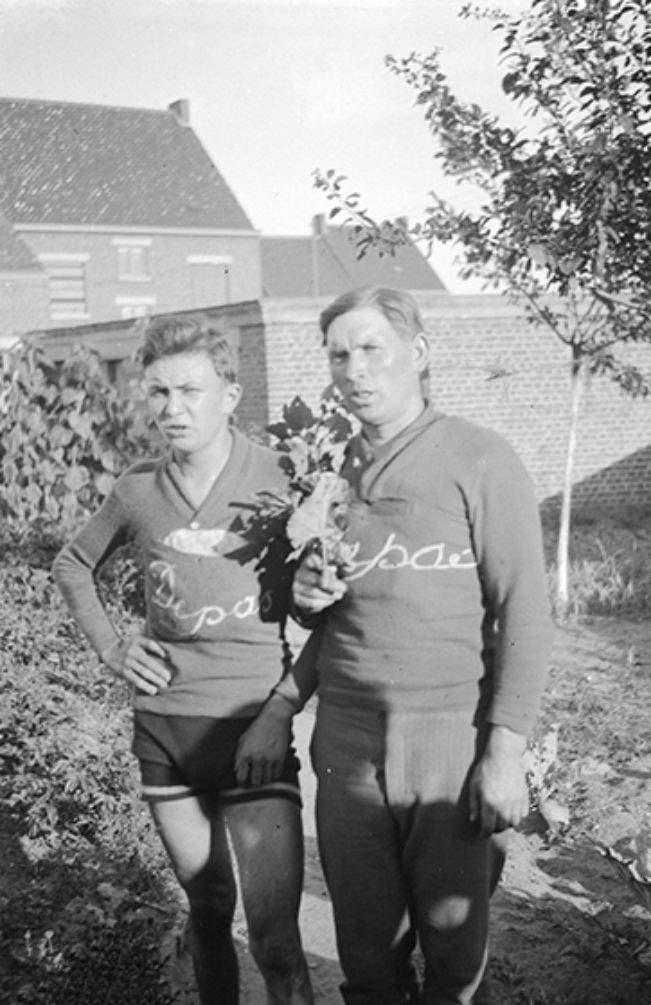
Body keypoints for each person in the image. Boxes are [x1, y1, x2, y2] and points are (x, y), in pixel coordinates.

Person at [237, 287, 554, 1005]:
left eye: (371, 348)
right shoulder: (327, 473)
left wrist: (505, 752)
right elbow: (334, 622)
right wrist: (306, 606)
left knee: (454, 954)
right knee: (368, 957)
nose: (354, 369)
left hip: (449, 739)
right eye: (338, 355)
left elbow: (526, 616)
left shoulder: (478, 457)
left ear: (419, 351)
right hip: (347, 742)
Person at [53, 314, 314, 1005]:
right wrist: (112, 646)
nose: (173, 408)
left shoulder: (281, 480)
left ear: (230, 394)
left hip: (252, 731)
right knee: (207, 909)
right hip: (166, 731)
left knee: (277, 941)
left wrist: (280, 711)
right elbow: (73, 564)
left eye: (190, 390)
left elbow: (328, 609)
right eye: (159, 392)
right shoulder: (138, 490)